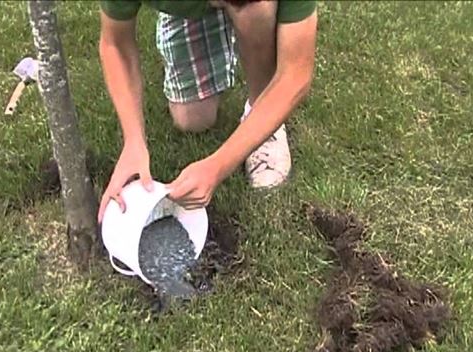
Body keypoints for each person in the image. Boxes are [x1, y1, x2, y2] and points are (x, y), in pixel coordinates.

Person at [96, 0, 318, 222]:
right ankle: (183, 11)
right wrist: (133, 141)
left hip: (256, 9)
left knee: (256, 12)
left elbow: (295, 76)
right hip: (187, 7)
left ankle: (261, 109)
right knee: (192, 118)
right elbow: (115, 45)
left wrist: (217, 166)